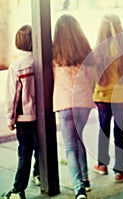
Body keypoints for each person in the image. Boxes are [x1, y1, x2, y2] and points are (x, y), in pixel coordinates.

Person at [93, 14, 123, 182]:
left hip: (102, 97)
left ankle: (101, 164)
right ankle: (120, 171)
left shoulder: (98, 50)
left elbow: (92, 75)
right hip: (122, 98)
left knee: (103, 130)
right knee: (120, 132)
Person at [52, 14, 95, 199]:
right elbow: (93, 77)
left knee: (70, 147)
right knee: (80, 139)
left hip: (64, 103)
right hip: (83, 101)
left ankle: (79, 189)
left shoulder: (54, 52)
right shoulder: (85, 51)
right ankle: (85, 179)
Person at [2, 25, 39, 199]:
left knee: (25, 151)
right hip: (42, 115)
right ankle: (39, 174)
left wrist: (10, 119)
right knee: (41, 147)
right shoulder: (41, 61)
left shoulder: (17, 66)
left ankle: (18, 189)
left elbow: (12, 97)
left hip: (24, 117)